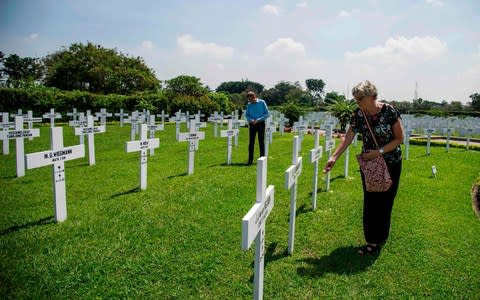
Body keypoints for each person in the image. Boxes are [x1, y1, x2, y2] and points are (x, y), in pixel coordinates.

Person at [323, 80, 404, 255]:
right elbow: (348, 138)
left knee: (386, 201)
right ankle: (372, 241)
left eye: (361, 98)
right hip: (370, 164)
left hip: (391, 162)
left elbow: (399, 139)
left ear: (373, 96)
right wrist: (334, 157)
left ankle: (381, 235)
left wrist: (379, 152)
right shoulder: (358, 115)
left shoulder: (389, 111)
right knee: (371, 201)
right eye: (356, 99)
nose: (358, 102)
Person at [245, 91, 269, 165]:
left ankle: (262, 159)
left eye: (251, 99)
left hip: (261, 123)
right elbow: (247, 115)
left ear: (254, 97)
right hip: (252, 124)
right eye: (249, 100)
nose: (250, 101)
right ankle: (250, 160)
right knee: (251, 142)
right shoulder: (249, 105)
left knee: (261, 141)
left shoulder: (262, 102)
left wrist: (258, 120)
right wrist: (251, 120)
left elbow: (267, 114)